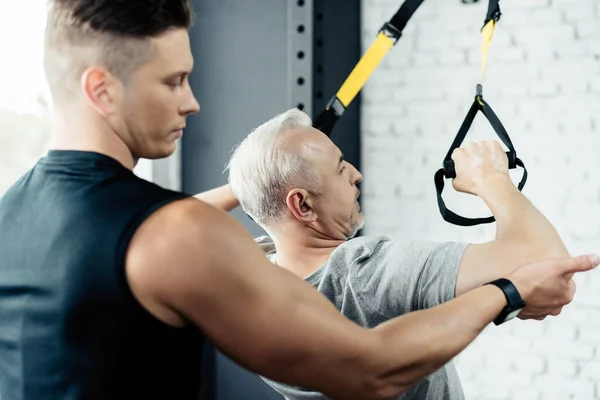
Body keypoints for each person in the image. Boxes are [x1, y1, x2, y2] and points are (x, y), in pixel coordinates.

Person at [0, 1, 596, 400]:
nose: (192, 103)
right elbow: (372, 367)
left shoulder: (17, 213)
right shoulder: (178, 237)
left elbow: (132, 231)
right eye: (173, 81)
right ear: (101, 88)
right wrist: (509, 289)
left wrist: (266, 172)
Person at [224, 108, 591, 399]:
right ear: (302, 205)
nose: (356, 174)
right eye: (339, 169)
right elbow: (546, 259)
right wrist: (491, 179)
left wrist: (259, 175)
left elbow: (178, 214)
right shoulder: (365, 274)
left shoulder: (249, 284)